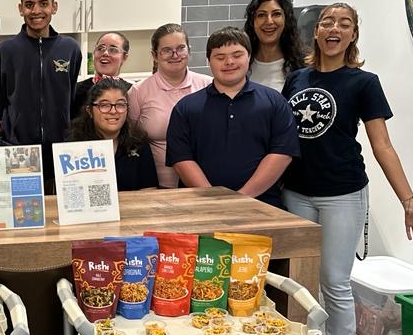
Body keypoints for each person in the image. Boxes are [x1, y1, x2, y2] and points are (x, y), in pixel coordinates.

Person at [283, 2, 413, 335]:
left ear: (353, 36)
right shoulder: (296, 79)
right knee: (300, 281)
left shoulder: (363, 82)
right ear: (316, 32)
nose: (334, 28)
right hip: (295, 192)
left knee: (334, 280)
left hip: (342, 193)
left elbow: (381, 145)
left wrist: (409, 199)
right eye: (328, 22)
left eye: (344, 24)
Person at [166, 26, 299, 208]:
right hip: (200, 207)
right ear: (208, 61)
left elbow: (282, 154)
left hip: (263, 206)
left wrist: (242, 198)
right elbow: (181, 159)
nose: (229, 62)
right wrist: (213, 199)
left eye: (237, 55)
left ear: (249, 56)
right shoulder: (186, 108)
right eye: (220, 57)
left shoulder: (275, 102)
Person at [0, 0, 82, 192]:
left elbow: (70, 96)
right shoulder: (5, 51)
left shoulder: (70, 49)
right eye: (29, 5)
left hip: (61, 150)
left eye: (43, 3)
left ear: (54, 7)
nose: (36, 10)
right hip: (18, 150)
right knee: (24, 214)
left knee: (61, 216)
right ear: (21, 9)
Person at [126, 23, 212, 188]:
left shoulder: (208, 86)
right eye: (166, 50)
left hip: (207, 184)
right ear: (155, 55)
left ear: (189, 50)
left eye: (181, 48)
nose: (175, 55)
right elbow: (130, 140)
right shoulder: (139, 91)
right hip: (158, 186)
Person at [69, 78, 157, 191]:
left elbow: (149, 191)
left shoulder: (139, 144)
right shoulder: (73, 146)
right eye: (104, 105)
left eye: (120, 105)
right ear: (90, 111)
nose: (113, 111)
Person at [243, 0, 305, 92]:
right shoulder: (242, 64)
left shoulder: (303, 65)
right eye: (261, 15)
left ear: (286, 20)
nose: (269, 21)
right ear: (252, 22)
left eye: (276, 14)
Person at [71, 31, 133, 119]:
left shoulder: (132, 92)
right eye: (100, 48)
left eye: (113, 50)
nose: (105, 53)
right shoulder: (75, 91)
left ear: (124, 57)